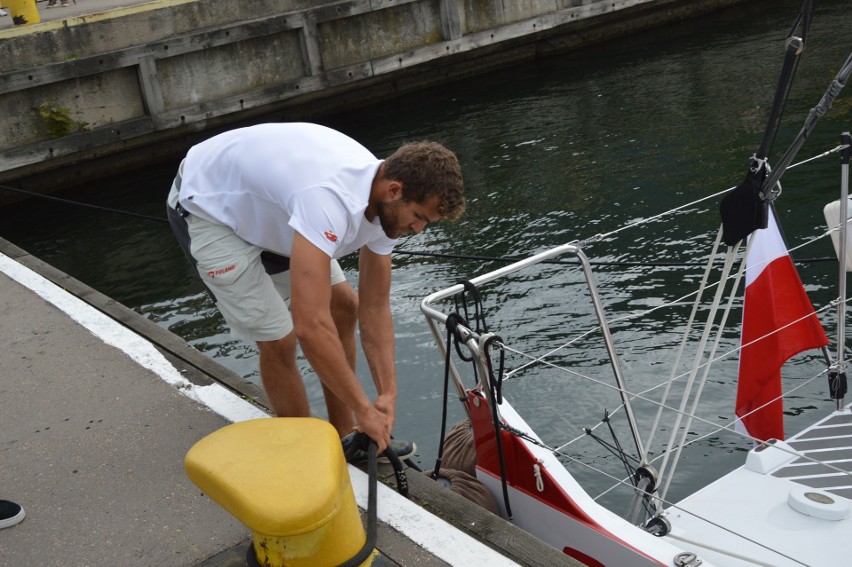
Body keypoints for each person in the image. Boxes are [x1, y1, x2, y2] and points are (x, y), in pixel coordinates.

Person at [166, 122, 465, 457]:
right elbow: (310, 326)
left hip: (272, 208)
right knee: (281, 338)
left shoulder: (386, 200)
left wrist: (387, 394)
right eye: (418, 217)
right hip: (208, 207)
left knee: (344, 307)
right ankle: (303, 453)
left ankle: (345, 436)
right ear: (394, 190)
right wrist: (366, 409)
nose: (418, 229)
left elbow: (375, 308)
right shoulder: (329, 200)